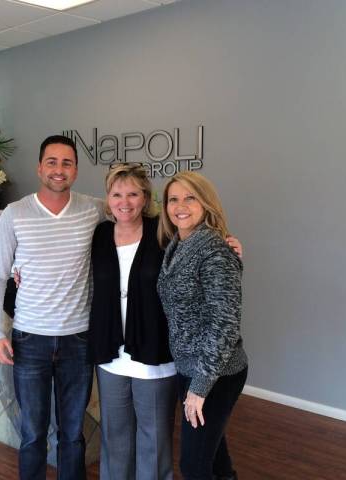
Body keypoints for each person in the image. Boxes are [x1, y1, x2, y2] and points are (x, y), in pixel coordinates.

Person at [88, 166, 242, 480]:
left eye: (133, 193)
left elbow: (206, 248)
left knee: (154, 442)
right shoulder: (100, 234)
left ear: (146, 198)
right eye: (117, 194)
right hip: (111, 357)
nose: (125, 201)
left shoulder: (163, 231)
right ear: (107, 199)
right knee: (114, 440)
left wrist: (232, 248)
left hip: (155, 355)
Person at [0, 135, 106, 480]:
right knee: (33, 435)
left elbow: (141, 211)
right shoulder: (16, 213)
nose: (59, 169)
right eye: (51, 162)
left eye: (66, 163)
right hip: (29, 341)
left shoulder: (94, 209)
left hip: (77, 341)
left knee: (72, 436)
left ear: (76, 171)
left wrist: (215, 236)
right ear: (40, 167)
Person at [156, 171, 248, 480]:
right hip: (188, 367)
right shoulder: (178, 244)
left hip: (215, 373)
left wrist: (200, 387)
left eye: (190, 197)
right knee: (213, 450)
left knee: (194, 466)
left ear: (205, 202)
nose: (180, 206)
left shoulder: (213, 248)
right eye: (173, 199)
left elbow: (224, 325)